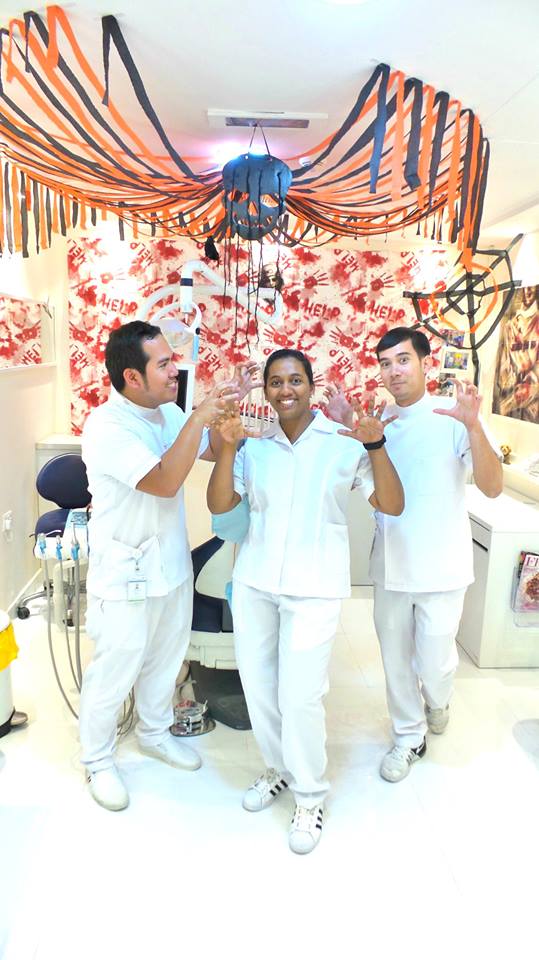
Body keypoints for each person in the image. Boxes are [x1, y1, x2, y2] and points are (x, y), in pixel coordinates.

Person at [207, 348, 404, 854]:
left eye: (295, 380)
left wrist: (375, 444)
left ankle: (310, 795)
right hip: (256, 581)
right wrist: (227, 447)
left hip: (315, 586)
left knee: (300, 695)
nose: (285, 390)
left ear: (312, 387)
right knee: (259, 688)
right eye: (275, 381)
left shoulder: (342, 442)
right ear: (266, 389)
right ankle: (278, 769)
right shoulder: (256, 445)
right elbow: (220, 504)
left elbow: (391, 503)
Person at [79, 320, 256, 811]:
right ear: (132, 377)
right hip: (125, 573)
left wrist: (226, 411)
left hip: (170, 565)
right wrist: (199, 415)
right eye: (163, 364)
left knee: (164, 659)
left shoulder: (170, 414)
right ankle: (96, 759)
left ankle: (154, 733)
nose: (174, 370)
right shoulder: (107, 427)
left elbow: (210, 451)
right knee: (115, 668)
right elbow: (163, 481)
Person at [326, 327, 503, 783]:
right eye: (385, 363)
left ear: (425, 362)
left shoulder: (453, 416)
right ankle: (409, 736)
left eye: (402, 360)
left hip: (443, 567)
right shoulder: (381, 420)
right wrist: (350, 427)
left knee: (436, 664)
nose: (393, 371)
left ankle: (438, 700)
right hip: (391, 564)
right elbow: (369, 477)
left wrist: (474, 427)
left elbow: (492, 486)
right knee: (395, 661)